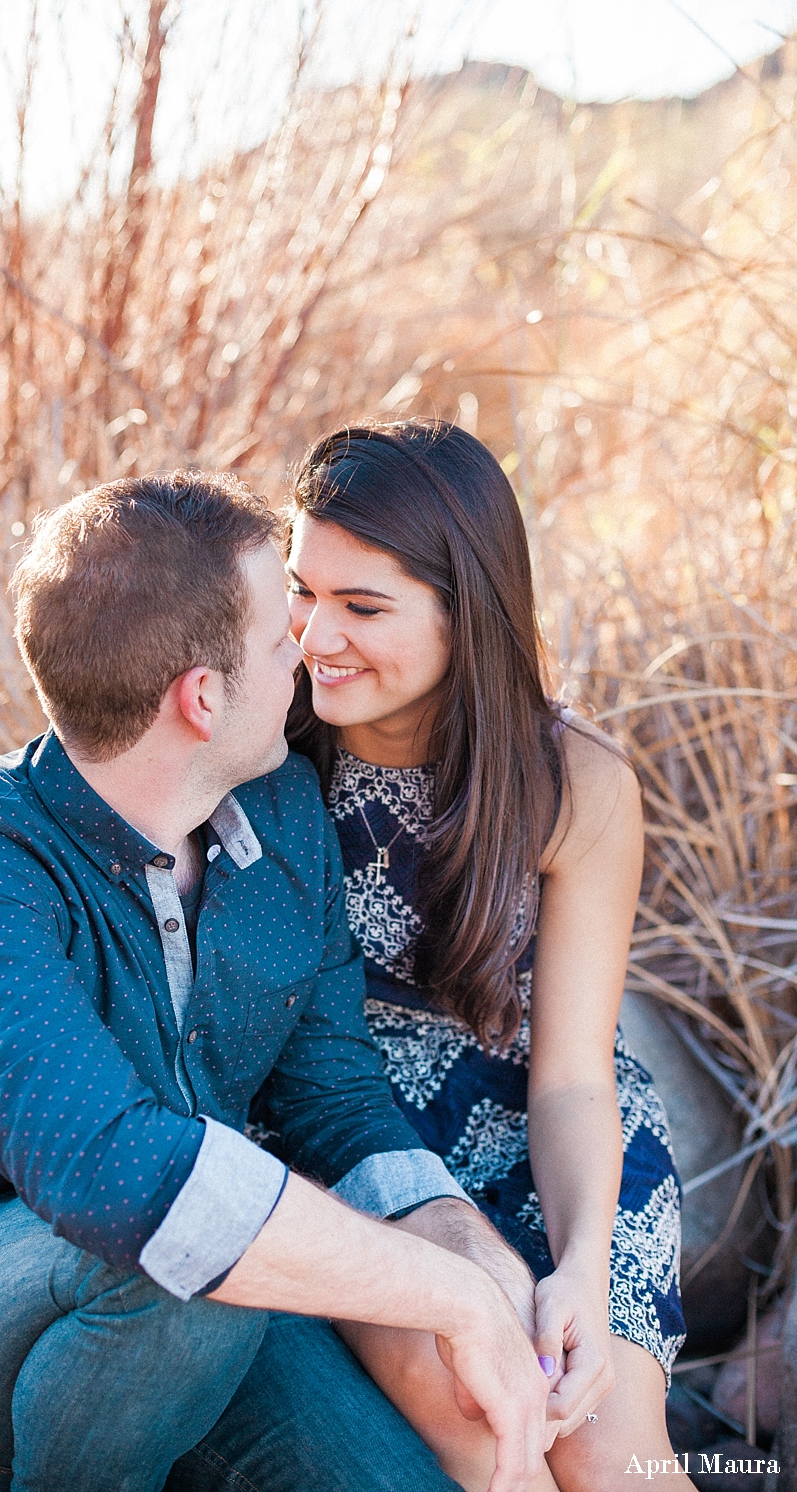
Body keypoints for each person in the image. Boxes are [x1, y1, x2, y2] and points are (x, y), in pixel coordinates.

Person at [0, 471, 554, 1492]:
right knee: (174, 1252)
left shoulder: (286, 816)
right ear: (200, 698)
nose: (300, 646)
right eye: (273, 637)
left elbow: (335, 1096)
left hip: (217, 1306)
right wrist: (445, 1297)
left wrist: (476, 1259)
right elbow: (111, 1172)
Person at [281, 419, 690, 1491]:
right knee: (485, 1414)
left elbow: (569, 1077)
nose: (314, 635)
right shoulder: (260, 749)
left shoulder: (575, 785)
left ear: (470, 611)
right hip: (347, 1137)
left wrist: (582, 1274)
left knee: (608, 1455)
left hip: (547, 1142)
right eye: (301, 589)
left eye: (362, 606)